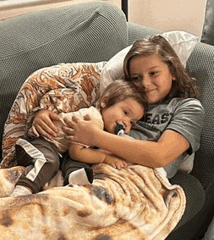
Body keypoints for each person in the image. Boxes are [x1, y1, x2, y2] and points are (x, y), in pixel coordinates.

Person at [62, 35, 205, 180]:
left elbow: (160, 156)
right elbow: (88, 117)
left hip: (137, 177)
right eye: (136, 78)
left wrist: (95, 137)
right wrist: (43, 114)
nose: (145, 83)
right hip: (94, 165)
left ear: (173, 71)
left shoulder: (188, 108)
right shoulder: (125, 98)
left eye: (153, 73)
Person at [10, 79, 146, 197]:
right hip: (37, 142)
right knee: (49, 160)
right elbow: (77, 152)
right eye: (125, 112)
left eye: (132, 122)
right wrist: (106, 157)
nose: (126, 123)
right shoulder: (93, 120)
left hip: (61, 151)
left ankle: (73, 178)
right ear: (105, 102)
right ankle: (22, 191)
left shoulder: (104, 129)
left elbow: (74, 154)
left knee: (80, 163)